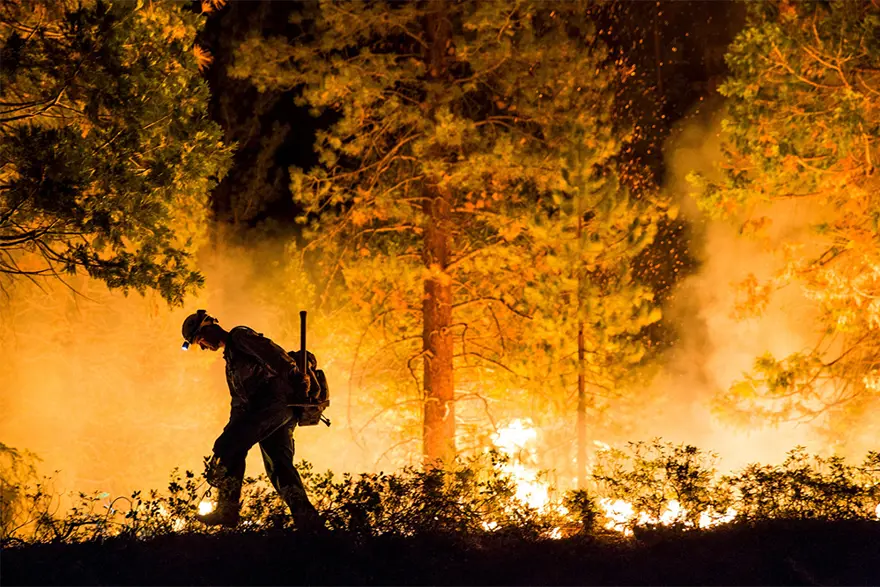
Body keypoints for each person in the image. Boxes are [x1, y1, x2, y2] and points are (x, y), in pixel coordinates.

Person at [180, 309, 324, 531]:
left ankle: (227, 510)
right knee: (279, 467)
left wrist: (296, 376)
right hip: (272, 412)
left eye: (200, 340)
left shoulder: (240, 337)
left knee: (229, 446)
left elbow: (273, 354)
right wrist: (230, 429)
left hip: (274, 405)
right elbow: (239, 405)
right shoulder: (231, 361)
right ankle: (309, 523)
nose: (202, 346)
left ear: (208, 328)